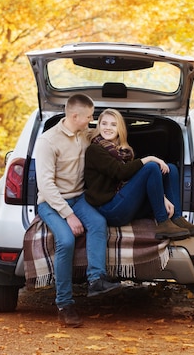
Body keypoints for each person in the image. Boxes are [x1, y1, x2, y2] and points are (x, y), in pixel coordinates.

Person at [33, 94, 122, 328]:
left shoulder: (85, 136)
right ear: (75, 116)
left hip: (79, 198)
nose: (92, 121)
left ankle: (96, 280)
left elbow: (110, 136)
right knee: (66, 240)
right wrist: (68, 214)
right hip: (52, 203)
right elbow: (46, 185)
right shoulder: (47, 142)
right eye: (90, 117)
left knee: (98, 223)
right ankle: (64, 304)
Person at [84, 108, 194, 240]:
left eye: (113, 124)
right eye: (104, 123)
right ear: (98, 126)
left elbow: (132, 179)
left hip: (123, 202)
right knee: (151, 167)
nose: (108, 128)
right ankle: (163, 223)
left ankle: (177, 218)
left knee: (170, 168)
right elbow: (120, 172)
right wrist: (150, 158)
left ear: (120, 128)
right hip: (109, 210)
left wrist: (163, 198)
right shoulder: (94, 149)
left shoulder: (122, 152)